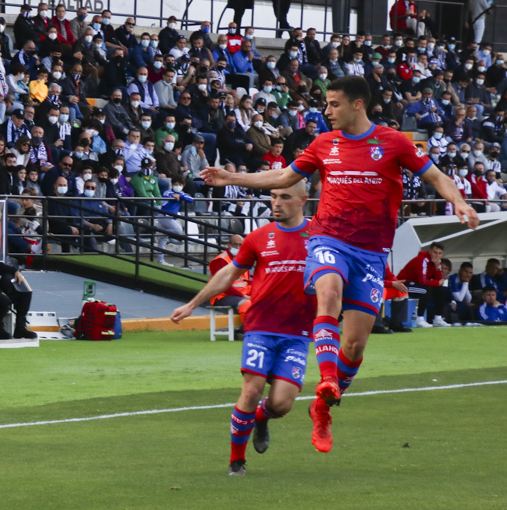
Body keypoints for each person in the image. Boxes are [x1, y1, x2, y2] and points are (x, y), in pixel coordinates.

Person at [201, 75, 479, 454]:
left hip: (371, 252)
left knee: (355, 344)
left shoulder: (393, 142)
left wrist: (459, 202)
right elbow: (285, 176)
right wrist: (231, 176)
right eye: (326, 103)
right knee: (328, 292)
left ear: (357, 104)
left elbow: (435, 176)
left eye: (333, 104)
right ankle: (326, 380)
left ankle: (322, 406)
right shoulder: (322, 143)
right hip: (329, 238)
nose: (326, 111)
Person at [171, 180, 314, 476]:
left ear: (303, 200)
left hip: (297, 333)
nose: (276, 203)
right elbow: (228, 274)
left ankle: (262, 416)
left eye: (284, 197)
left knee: (282, 404)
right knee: (251, 390)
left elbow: (353, 260)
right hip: (260, 325)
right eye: (273, 196)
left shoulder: (321, 235)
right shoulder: (259, 237)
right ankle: (237, 461)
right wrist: (192, 304)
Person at [397, 242, 451, 328]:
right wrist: (437, 283)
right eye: (435, 252)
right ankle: (420, 319)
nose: (437, 255)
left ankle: (438, 318)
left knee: (442, 289)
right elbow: (423, 281)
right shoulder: (422, 260)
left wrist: (437, 267)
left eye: (439, 253)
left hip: (417, 284)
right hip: (403, 284)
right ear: (429, 251)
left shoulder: (436, 262)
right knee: (426, 290)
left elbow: (439, 280)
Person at [208, 234, 251, 310]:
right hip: (223, 296)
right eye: (235, 244)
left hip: (240, 295)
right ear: (229, 245)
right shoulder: (221, 260)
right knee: (247, 304)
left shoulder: (243, 260)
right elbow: (223, 286)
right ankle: (249, 322)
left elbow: (246, 281)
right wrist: (244, 296)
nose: (238, 247)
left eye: (240, 245)